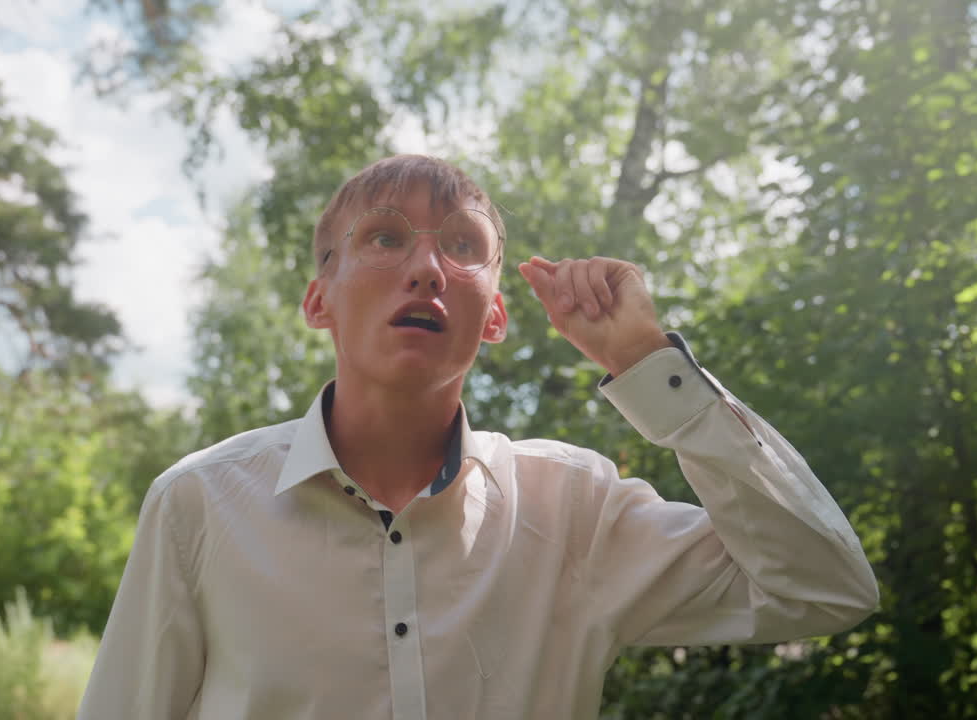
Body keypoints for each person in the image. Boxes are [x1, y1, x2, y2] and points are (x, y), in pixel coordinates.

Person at [77, 155, 878, 720]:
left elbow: (824, 587)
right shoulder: (201, 504)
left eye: (462, 246)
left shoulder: (574, 511)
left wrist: (648, 364)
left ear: (494, 317)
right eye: (385, 237)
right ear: (319, 301)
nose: (428, 267)